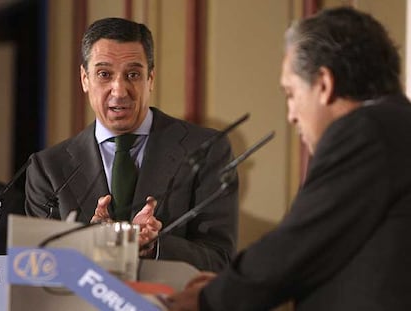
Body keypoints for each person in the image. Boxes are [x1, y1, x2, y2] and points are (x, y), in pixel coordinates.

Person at [167, 6, 411, 310]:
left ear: (323, 84)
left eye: (291, 94)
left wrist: (208, 299)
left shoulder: (366, 131)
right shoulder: (394, 126)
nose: (291, 115)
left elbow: (301, 242)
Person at [24, 17, 238, 271]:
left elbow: (220, 261)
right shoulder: (48, 168)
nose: (119, 90)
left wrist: (155, 246)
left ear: (150, 79)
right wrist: (90, 244)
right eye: (104, 74)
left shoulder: (207, 149)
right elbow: (38, 268)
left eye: (133, 74)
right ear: (84, 79)